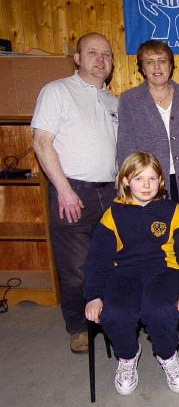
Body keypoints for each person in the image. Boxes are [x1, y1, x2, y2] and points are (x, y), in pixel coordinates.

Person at [83, 151, 179, 395]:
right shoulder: (113, 215)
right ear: (126, 181)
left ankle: (167, 355)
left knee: (159, 310)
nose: (146, 185)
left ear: (161, 181)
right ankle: (127, 356)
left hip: (164, 271)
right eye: (139, 179)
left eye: (152, 178)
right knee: (116, 312)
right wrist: (93, 295)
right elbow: (98, 259)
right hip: (124, 273)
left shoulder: (172, 211)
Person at [31, 32, 119, 354]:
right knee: (76, 268)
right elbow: (41, 142)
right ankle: (78, 327)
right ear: (78, 58)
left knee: (110, 262)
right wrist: (64, 190)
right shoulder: (57, 91)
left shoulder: (113, 101)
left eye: (107, 54)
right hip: (72, 192)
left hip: (108, 193)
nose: (101, 59)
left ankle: (110, 318)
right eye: (93, 52)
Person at [117, 40, 179, 219]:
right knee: (153, 240)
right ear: (142, 68)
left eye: (162, 60)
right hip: (146, 184)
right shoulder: (129, 100)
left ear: (171, 65)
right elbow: (125, 147)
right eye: (149, 61)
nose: (157, 66)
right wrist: (130, 185)